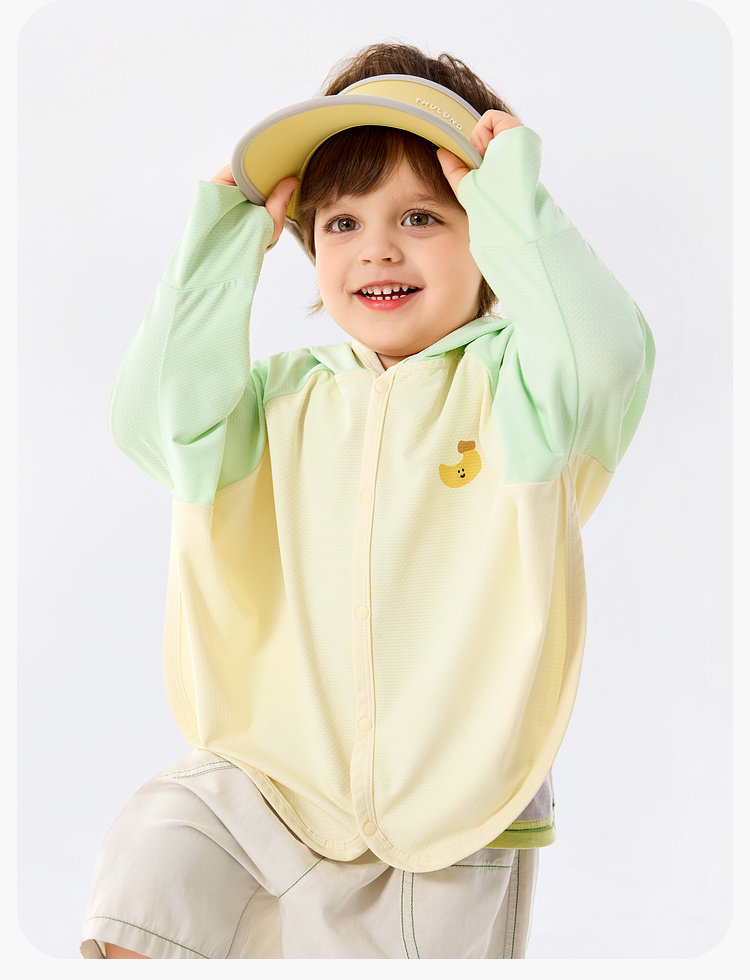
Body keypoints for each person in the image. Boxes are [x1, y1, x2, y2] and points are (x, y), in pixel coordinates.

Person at [80, 42, 655, 959]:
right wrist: (221, 245)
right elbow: (152, 416)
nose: (377, 248)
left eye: (422, 215)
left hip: (458, 795)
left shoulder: (522, 392)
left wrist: (515, 203)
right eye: (341, 222)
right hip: (266, 779)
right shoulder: (274, 398)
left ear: (486, 231)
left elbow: (607, 353)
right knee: (148, 881)